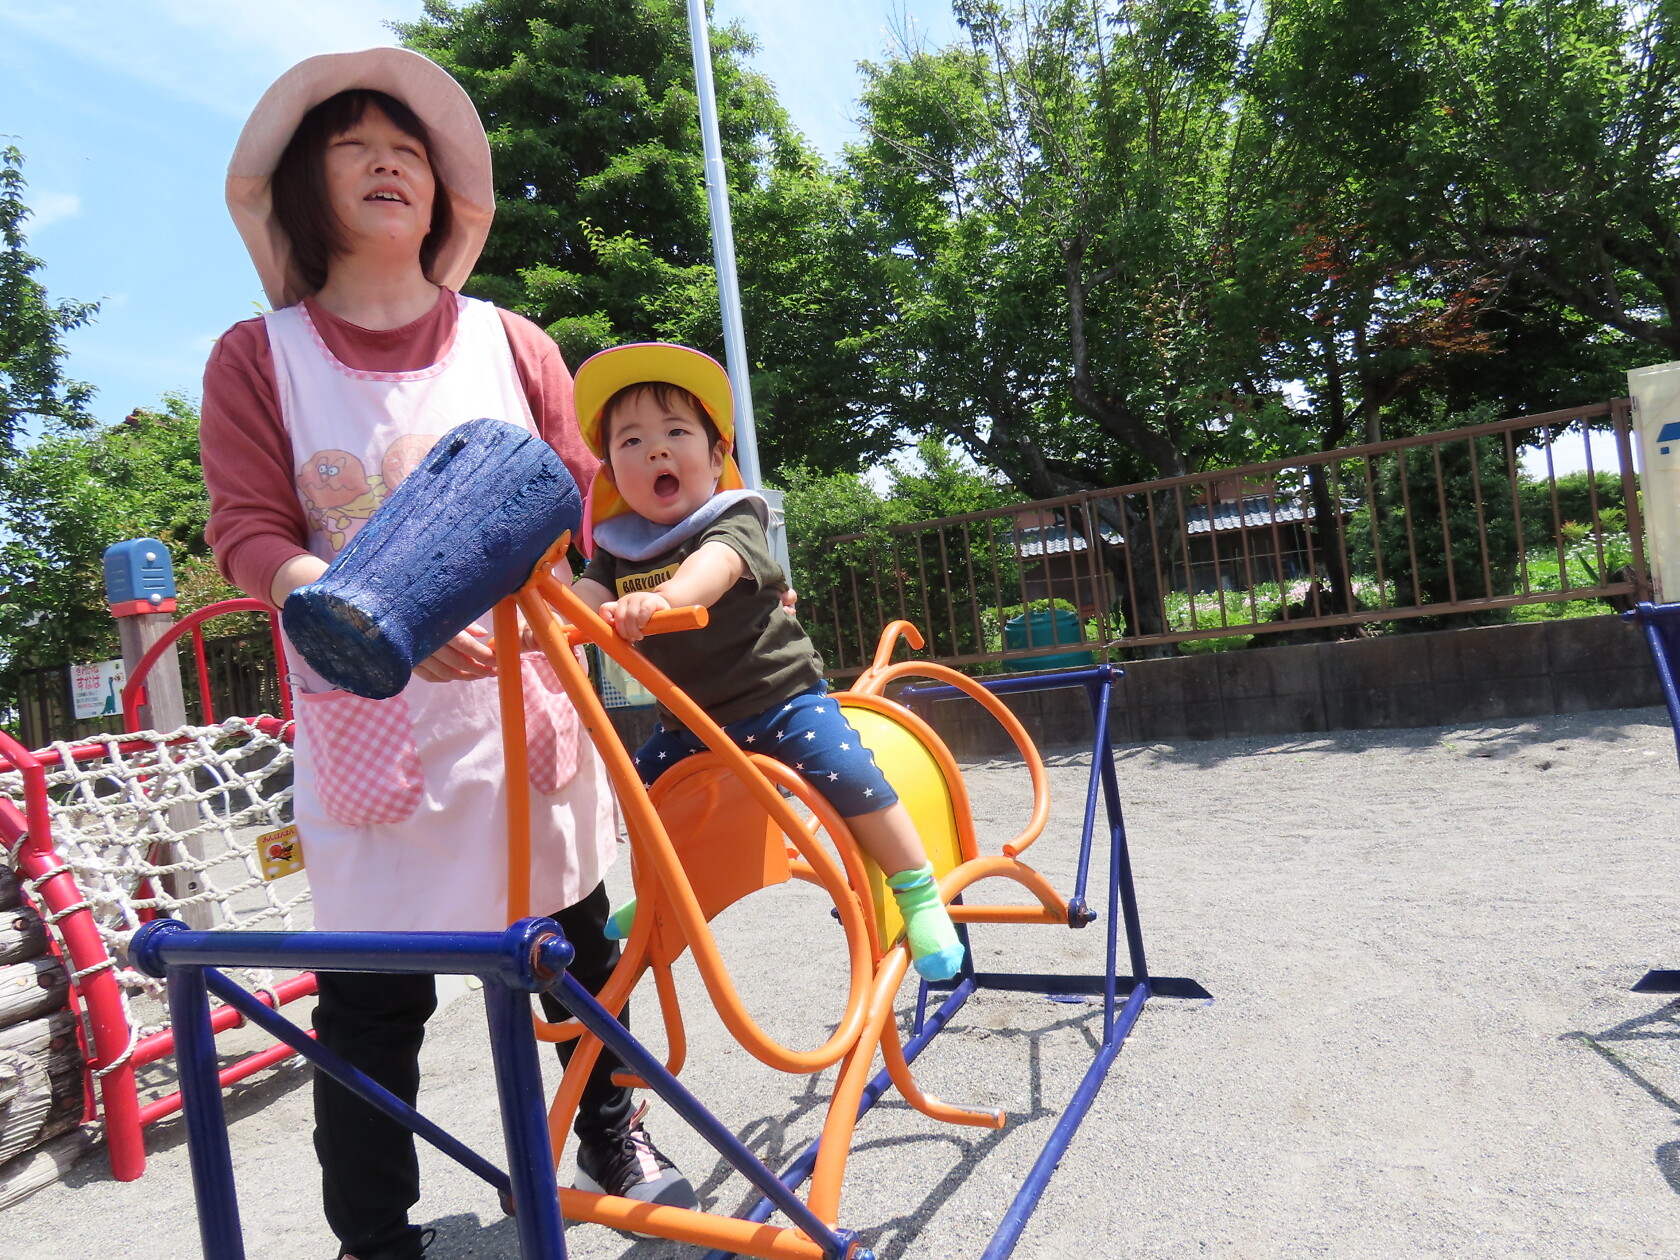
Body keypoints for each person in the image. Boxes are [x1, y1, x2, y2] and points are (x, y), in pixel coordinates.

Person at [200, 49, 695, 1260]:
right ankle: (374, 1237)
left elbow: (578, 510)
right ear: (304, 187)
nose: (388, 164)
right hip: (368, 709)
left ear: (443, 189)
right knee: (374, 1002)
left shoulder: (511, 342)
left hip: (523, 701)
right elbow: (249, 531)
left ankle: (608, 1140)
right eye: (353, 147)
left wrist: (554, 593)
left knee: (577, 955)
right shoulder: (260, 356)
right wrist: (355, 606)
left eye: (408, 150)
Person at [569, 343, 965, 982]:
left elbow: (716, 567)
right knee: (637, 795)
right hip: (691, 724)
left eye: (676, 433)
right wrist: (548, 624)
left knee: (848, 774)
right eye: (631, 441)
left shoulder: (732, 517)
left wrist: (665, 598)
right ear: (613, 473)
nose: (656, 451)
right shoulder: (619, 548)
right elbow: (585, 597)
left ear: (716, 456)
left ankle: (916, 891)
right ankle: (670, 887)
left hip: (779, 701)